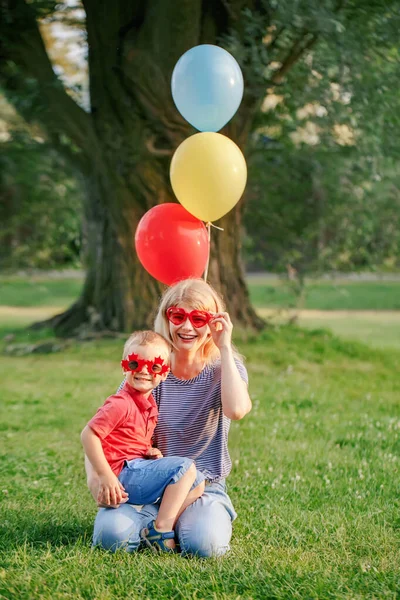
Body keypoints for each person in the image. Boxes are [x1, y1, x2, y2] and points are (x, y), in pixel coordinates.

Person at [85, 278, 251, 557]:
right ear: (167, 318)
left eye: (199, 318)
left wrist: (224, 347)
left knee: (205, 546)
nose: (187, 327)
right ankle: (158, 525)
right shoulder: (152, 370)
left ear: (213, 324)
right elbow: (103, 431)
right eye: (178, 316)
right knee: (110, 539)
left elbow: (236, 410)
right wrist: (98, 480)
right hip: (147, 480)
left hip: (203, 487)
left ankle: (168, 524)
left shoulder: (225, 369)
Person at [81, 330, 205, 552]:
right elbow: (88, 435)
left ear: (165, 373)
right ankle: (162, 530)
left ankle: (151, 524)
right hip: (123, 474)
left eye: (154, 366)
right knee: (186, 468)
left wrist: (148, 452)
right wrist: (106, 476)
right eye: (136, 364)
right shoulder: (120, 403)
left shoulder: (147, 404)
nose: (144, 371)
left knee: (198, 482)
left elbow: (127, 439)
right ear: (125, 366)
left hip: (135, 468)